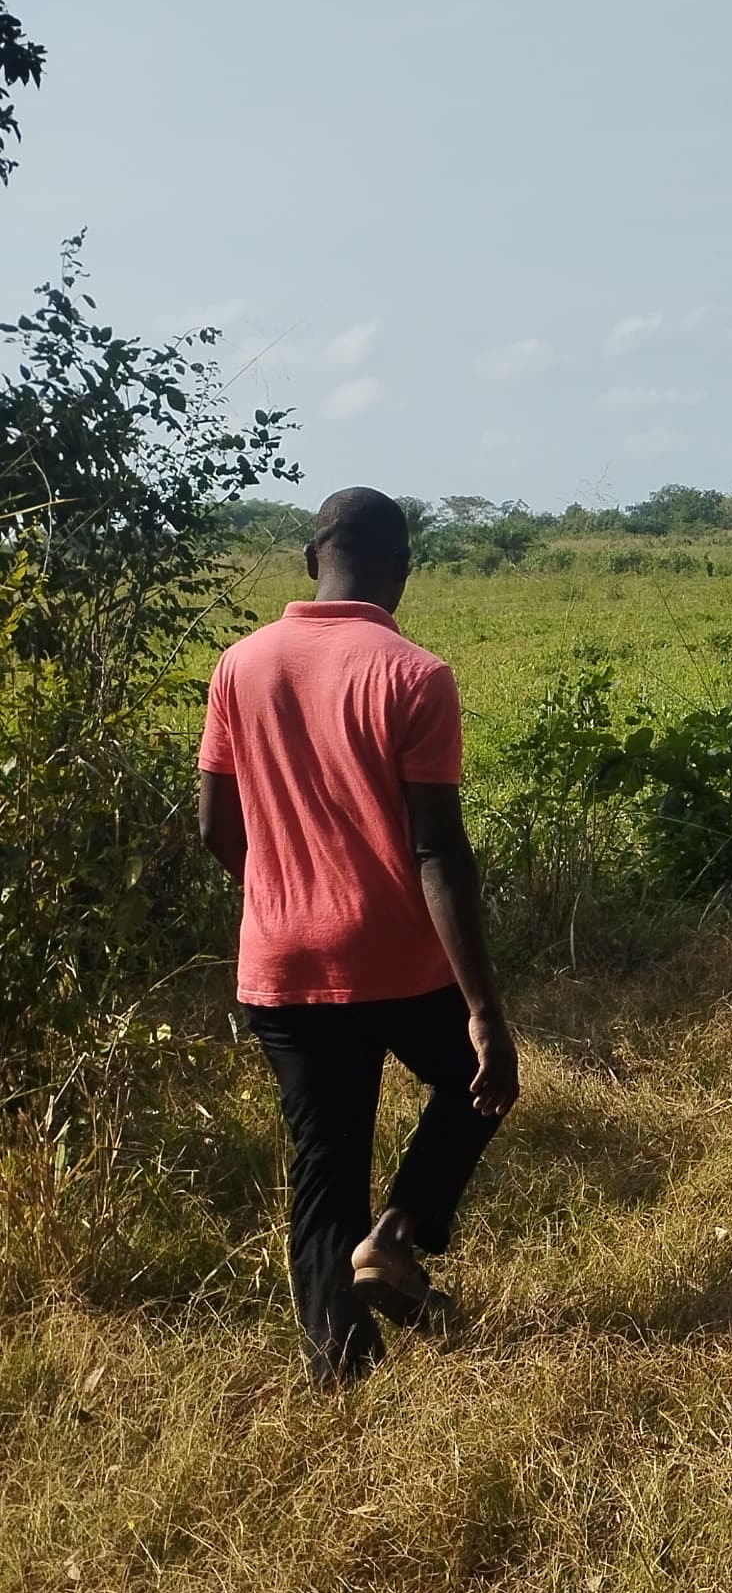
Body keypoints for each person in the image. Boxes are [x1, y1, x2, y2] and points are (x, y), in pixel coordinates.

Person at [198, 486, 519, 1383]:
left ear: (311, 561)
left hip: (283, 962)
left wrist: (280, 897)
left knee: (323, 1164)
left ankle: (340, 1374)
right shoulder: (414, 674)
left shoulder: (240, 665)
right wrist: (486, 1010)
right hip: (397, 958)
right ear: (401, 572)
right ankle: (397, 1234)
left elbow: (215, 829)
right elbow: (438, 852)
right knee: (474, 1082)